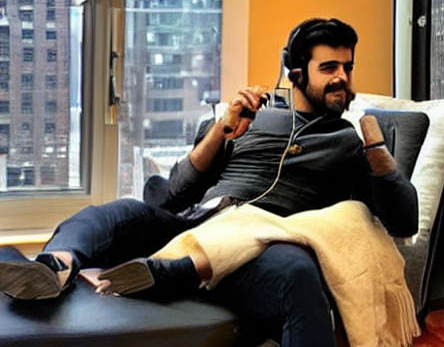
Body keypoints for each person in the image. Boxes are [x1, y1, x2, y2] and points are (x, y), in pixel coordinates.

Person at [0, 18, 418, 347]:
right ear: (295, 73)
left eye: (347, 67)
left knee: (297, 271)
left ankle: (173, 274)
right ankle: (54, 267)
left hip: (261, 249)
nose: (342, 77)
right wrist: (222, 131)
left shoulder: (349, 142)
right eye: (329, 68)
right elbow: (175, 196)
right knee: (115, 213)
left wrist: (376, 147)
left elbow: (403, 221)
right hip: (198, 227)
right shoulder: (253, 120)